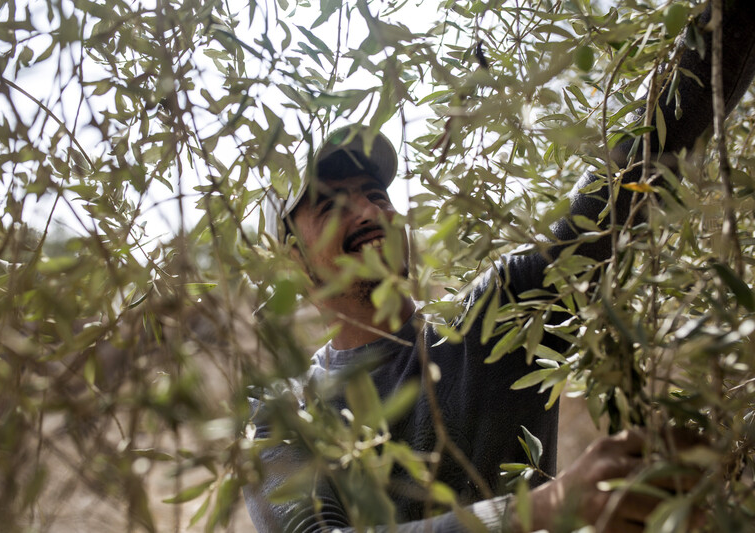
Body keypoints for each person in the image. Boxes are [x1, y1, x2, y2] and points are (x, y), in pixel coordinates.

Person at [245, 1, 755, 531]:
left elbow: (646, 153)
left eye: (377, 193)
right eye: (331, 204)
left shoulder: (498, 315)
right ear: (292, 263)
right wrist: (541, 510)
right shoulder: (285, 415)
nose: (370, 210)